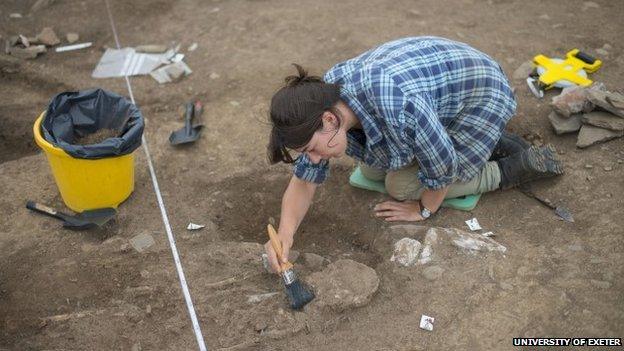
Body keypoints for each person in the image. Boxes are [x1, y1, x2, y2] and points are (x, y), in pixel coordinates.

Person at [264, 36, 563, 272]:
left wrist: (423, 209)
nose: (313, 158)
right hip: (439, 95)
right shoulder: (323, 100)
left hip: (480, 98)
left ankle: (511, 167)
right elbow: (304, 180)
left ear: (329, 121)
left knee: (401, 187)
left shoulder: (401, 108)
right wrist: (285, 234)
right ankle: (491, 142)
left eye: (312, 149)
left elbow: (442, 168)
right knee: (370, 170)